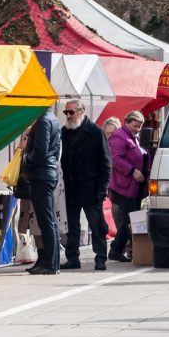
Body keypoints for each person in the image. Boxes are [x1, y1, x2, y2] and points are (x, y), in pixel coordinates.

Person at [60, 99, 111, 271]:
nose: (68, 116)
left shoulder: (96, 132)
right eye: (65, 113)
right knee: (72, 226)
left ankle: (101, 258)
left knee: (96, 225)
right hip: (72, 186)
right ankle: (72, 257)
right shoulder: (65, 132)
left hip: (91, 186)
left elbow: (106, 163)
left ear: (81, 111)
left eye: (71, 112)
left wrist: (102, 189)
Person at [22, 107, 62, 274]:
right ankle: (47, 261)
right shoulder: (52, 119)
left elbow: (40, 152)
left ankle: (51, 264)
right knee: (47, 220)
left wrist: (25, 158)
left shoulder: (44, 121)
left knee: (47, 221)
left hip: (42, 174)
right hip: (46, 173)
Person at [108, 111, 149, 263]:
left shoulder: (134, 137)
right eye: (135, 126)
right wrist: (133, 171)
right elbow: (116, 159)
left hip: (134, 185)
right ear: (126, 122)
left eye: (139, 127)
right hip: (123, 186)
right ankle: (117, 249)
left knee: (130, 218)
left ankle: (120, 249)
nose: (137, 129)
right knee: (130, 219)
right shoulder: (119, 137)